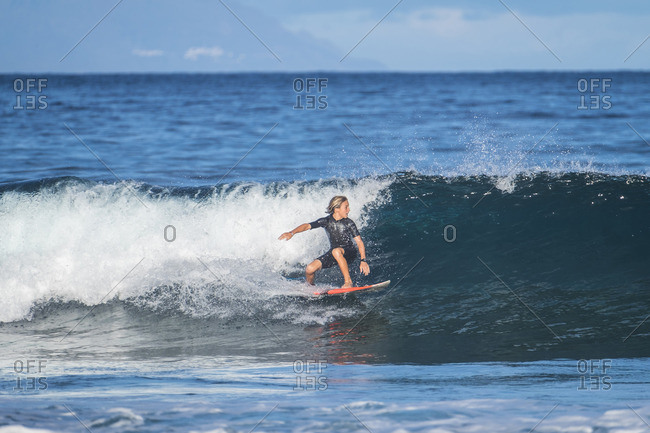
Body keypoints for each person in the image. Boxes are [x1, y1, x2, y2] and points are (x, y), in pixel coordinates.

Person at [278, 196, 370, 288]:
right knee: (310, 269)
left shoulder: (349, 223)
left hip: (349, 252)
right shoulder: (326, 221)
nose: (348, 210)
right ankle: (310, 287)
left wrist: (363, 260)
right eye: (346, 207)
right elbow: (307, 226)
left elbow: (359, 242)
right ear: (336, 209)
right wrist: (291, 233)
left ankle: (348, 282)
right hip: (335, 252)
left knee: (336, 251)